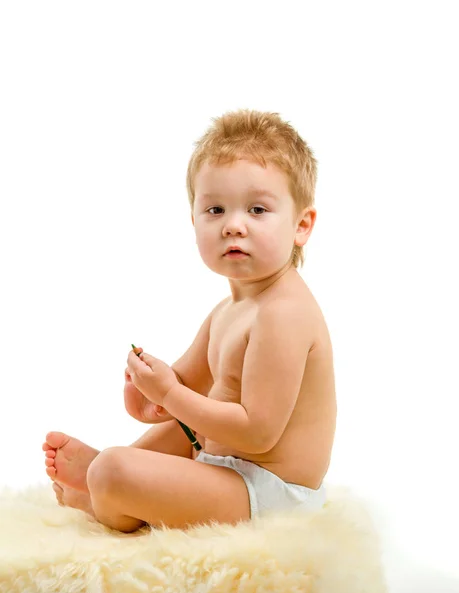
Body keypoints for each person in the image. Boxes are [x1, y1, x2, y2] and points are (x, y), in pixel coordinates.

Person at [42, 109, 337, 532]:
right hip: (229, 469)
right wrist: (149, 396)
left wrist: (170, 395)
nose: (233, 226)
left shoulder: (284, 314)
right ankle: (109, 478)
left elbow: (257, 435)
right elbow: (184, 388)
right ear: (194, 219)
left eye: (257, 209)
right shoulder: (229, 310)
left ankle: (103, 491)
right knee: (185, 428)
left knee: (115, 469)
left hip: (271, 496)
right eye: (215, 210)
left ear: (301, 225)